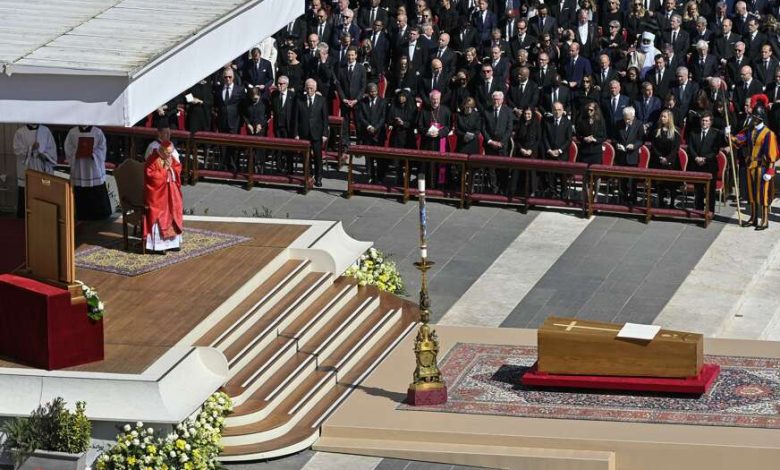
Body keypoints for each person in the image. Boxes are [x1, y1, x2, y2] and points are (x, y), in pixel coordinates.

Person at [730, 95, 779, 230]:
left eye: (755, 118)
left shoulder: (769, 134)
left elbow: (772, 155)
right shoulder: (750, 130)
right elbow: (740, 140)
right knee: (751, 194)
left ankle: (764, 220)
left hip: (762, 168)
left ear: (760, 118)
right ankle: (753, 218)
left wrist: (770, 171)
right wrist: (730, 136)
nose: (753, 119)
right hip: (750, 166)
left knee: (762, 195)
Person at [64, 125, 112, 220]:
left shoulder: (97, 132)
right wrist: (77, 152)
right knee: (80, 192)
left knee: (96, 190)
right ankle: (81, 214)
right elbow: (68, 148)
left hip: (93, 167)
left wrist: (93, 153)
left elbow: (102, 149)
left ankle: (100, 214)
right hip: (79, 166)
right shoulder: (72, 132)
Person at [143, 140, 183, 254]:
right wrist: (165, 170)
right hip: (158, 195)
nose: (170, 155)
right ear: (162, 151)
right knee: (160, 213)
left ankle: (173, 243)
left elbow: (178, 168)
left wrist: (172, 169)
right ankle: (159, 246)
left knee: (174, 211)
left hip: (171, 193)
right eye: (168, 153)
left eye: (171, 153)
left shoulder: (170, 157)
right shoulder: (152, 159)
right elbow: (151, 177)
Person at [13, 124, 57, 218]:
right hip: (27, 167)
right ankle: (23, 219)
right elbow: (17, 150)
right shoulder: (20, 132)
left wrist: (44, 155)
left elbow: (52, 148)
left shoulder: (45, 130)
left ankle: (43, 217)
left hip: (41, 166)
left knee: (43, 193)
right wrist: (31, 149)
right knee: (25, 194)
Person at [295, 79, 330, 187]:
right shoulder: (300, 100)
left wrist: (325, 134)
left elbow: (325, 119)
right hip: (304, 132)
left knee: (318, 156)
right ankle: (309, 175)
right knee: (306, 156)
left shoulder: (322, 100)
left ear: (315, 88)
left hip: (317, 133)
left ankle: (318, 177)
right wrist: (296, 134)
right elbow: (296, 119)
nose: (309, 90)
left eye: (311, 88)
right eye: (307, 88)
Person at [687, 111, 723, 213]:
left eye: (706, 121)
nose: (704, 123)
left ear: (710, 122)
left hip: (710, 166)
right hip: (697, 165)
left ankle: (710, 211)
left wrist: (705, 159)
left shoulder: (715, 134)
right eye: (703, 120)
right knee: (698, 190)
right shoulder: (694, 133)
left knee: (710, 191)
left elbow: (715, 150)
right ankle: (699, 210)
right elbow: (690, 147)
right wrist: (696, 158)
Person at [650, 109, 682, 208]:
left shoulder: (675, 132)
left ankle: (672, 203)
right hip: (659, 161)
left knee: (672, 184)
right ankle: (661, 202)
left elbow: (675, 148)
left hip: (672, 162)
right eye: (661, 116)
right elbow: (654, 146)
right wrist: (660, 157)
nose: (662, 118)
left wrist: (667, 159)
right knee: (660, 184)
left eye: (664, 116)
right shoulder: (657, 131)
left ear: (669, 118)